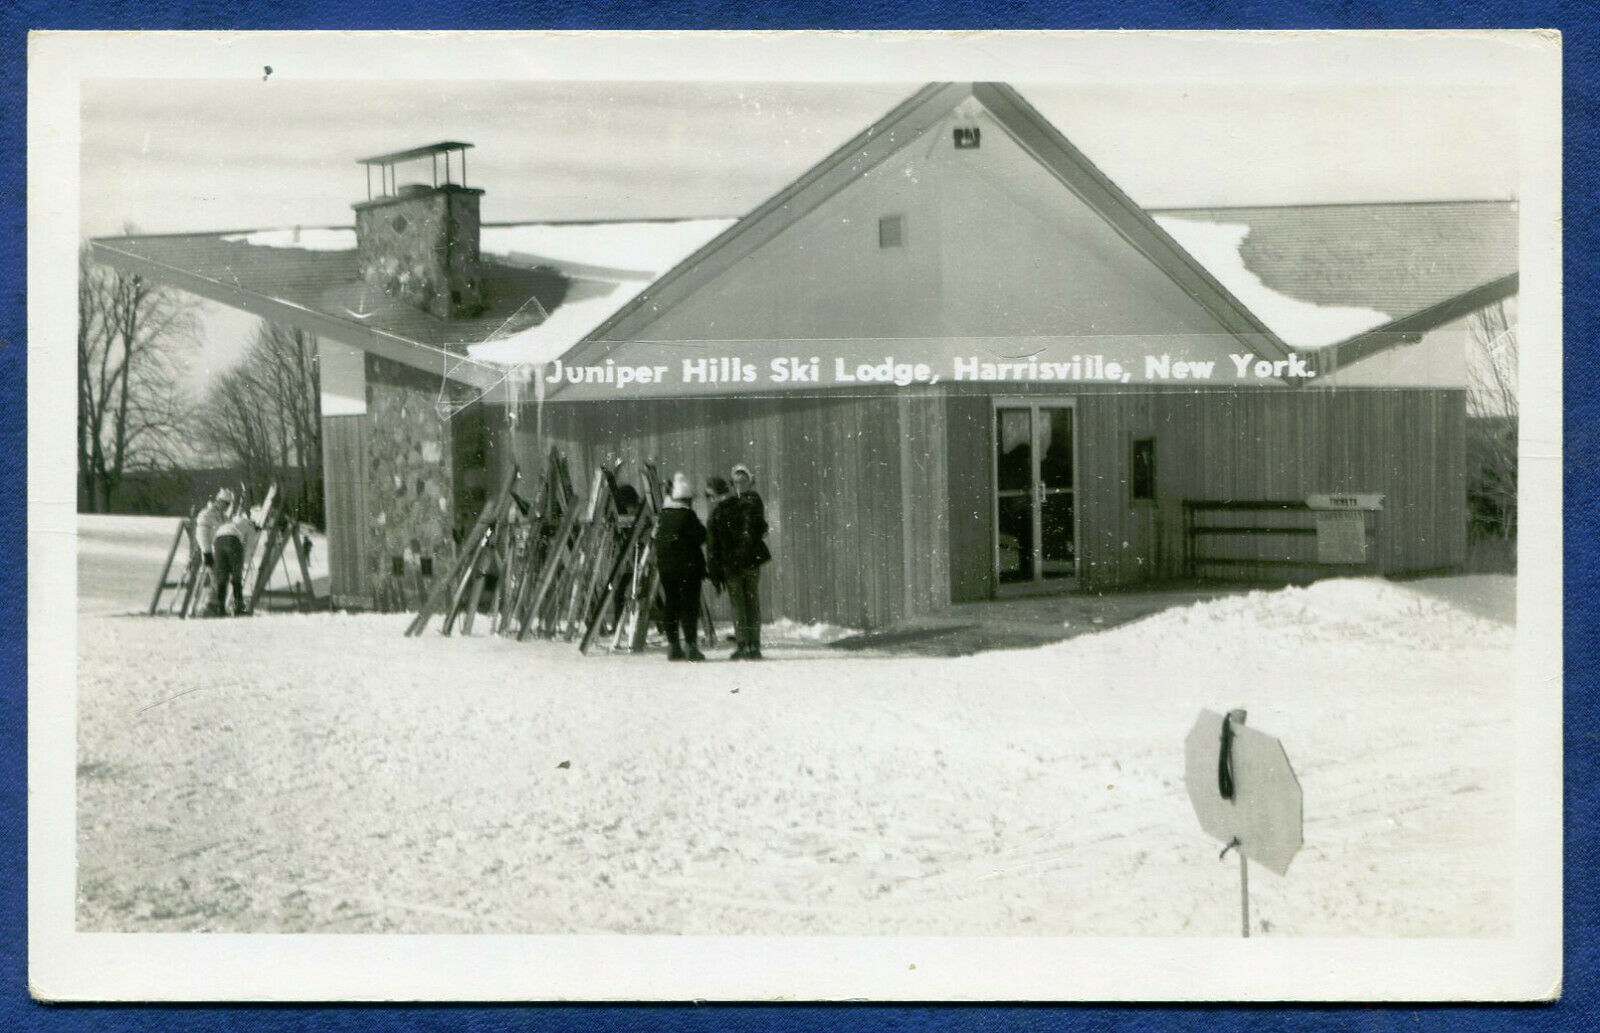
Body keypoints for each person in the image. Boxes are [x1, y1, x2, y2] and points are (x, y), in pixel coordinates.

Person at [653, 471, 707, 661]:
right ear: (687, 499)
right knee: (689, 606)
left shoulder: (664, 515)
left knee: (671, 603)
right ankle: (691, 646)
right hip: (688, 568)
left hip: (666, 568)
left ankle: (673, 645)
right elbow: (702, 535)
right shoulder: (687, 515)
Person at [727, 462, 771, 660]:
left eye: (742, 481)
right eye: (735, 482)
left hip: (745, 559)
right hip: (744, 559)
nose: (738, 485)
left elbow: (757, 528)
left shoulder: (750, 501)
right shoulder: (743, 502)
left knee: (745, 602)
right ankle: (748, 643)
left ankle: (749, 643)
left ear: (749, 482)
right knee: (744, 602)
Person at [210, 494, 258, 617]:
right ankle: (238, 608)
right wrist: (245, 561)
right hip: (233, 541)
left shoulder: (228, 522)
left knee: (223, 577)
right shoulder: (249, 524)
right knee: (236, 578)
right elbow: (250, 546)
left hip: (218, 541)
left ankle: (220, 608)